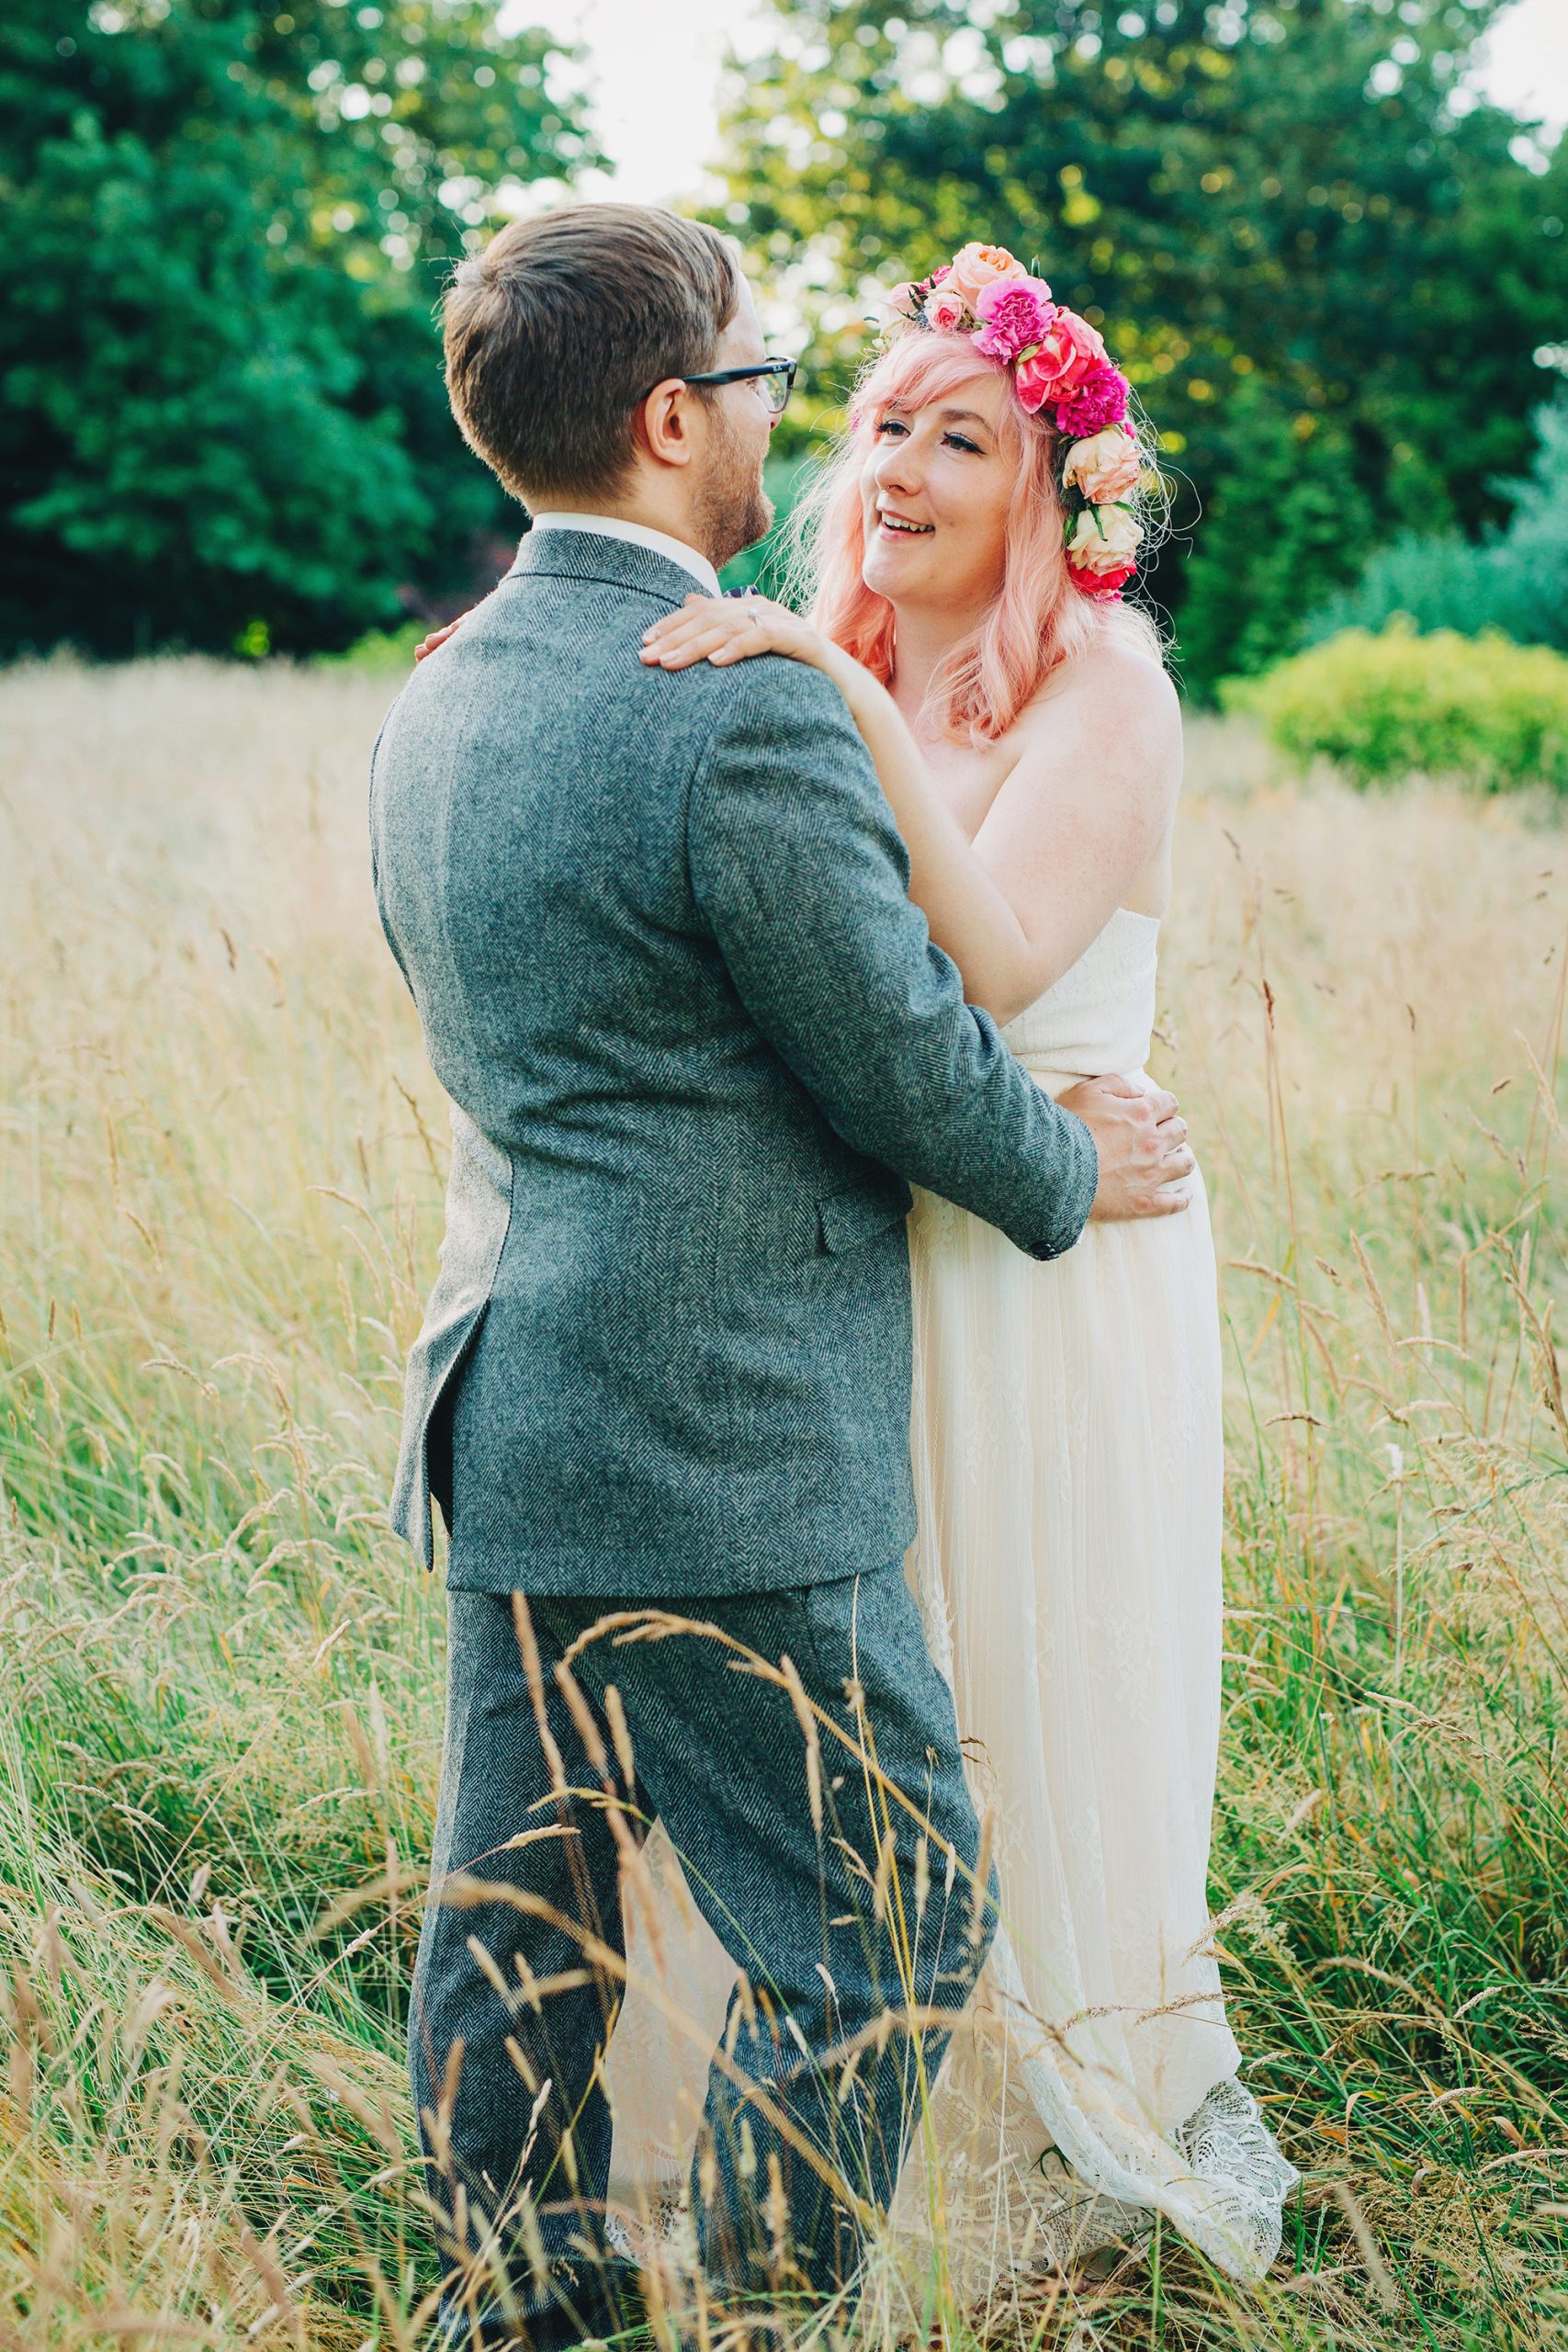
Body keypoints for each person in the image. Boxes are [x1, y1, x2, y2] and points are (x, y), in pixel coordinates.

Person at [373, 205, 1191, 2348]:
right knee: (888, 1908)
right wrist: (1062, 1157)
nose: (787, 422)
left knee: (519, 1926)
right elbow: (903, 1052)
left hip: (507, 1404)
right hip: (721, 1424)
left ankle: (508, 2316)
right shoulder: (735, 716)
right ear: (669, 419)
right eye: (758, 381)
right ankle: (747, 2318)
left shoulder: (434, 695)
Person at [590, 243, 1299, 2294]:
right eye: (879, 422)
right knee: (871, 1683)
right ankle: (830, 2127)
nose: (890, 462)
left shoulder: (1104, 681)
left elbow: (991, 958)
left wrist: (825, 685)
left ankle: (1037, 2141)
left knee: (1027, 1670)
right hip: (866, 1246)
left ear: (1045, 497)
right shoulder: (828, 652)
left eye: (954, 436)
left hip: (1060, 1252)